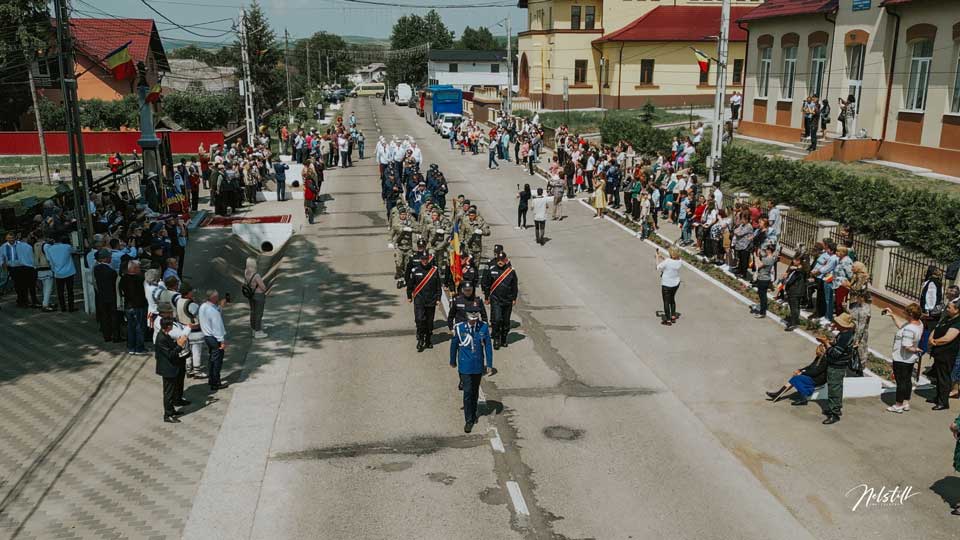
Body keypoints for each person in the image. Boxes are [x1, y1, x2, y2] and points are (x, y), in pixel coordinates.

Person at [449, 306, 494, 433]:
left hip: (478, 365)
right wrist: (452, 361)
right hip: (465, 366)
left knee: (474, 391)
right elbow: (454, 345)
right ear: (467, 316)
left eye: (475, 318)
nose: (473, 321)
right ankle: (468, 420)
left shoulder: (483, 327)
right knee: (468, 392)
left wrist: (489, 364)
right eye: (471, 318)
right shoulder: (459, 328)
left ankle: (473, 413)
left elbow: (488, 346)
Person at [884, 303, 924, 413]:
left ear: (910, 314)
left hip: (902, 359)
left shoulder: (910, 329)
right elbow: (902, 326)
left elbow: (907, 346)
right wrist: (892, 315)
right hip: (909, 359)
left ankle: (898, 404)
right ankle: (906, 402)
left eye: (906, 313)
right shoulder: (918, 324)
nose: (904, 315)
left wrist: (916, 349)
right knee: (907, 380)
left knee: (901, 382)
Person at [822, 312, 856, 425]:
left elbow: (835, 353)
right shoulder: (845, 333)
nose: (835, 324)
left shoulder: (845, 337)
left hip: (837, 366)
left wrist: (826, 344)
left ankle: (834, 414)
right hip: (839, 365)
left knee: (834, 389)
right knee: (837, 387)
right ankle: (836, 408)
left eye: (837, 323)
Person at [156, 317, 189, 423]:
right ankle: (168, 415)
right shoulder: (161, 338)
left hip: (172, 367)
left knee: (173, 390)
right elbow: (170, 354)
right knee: (168, 393)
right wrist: (179, 345)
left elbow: (172, 346)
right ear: (168, 326)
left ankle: (172, 410)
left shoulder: (166, 335)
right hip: (167, 369)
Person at [483, 252, 518, 350]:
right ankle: (496, 339)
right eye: (499, 260)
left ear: (505, 260)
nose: (500, 262)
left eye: (502, 260)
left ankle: (504, 338)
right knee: (497, 319)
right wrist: (487, 297)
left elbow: (514, 286)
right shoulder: (492, 270)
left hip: (507, 300)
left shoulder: (510, 271)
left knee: (506, 322)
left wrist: (514, 298)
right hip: (496, 299)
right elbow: (487, 284)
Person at [407, 250, 441, 352]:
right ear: (420, 259)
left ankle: (428, 340)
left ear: (429, 259)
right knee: (420, 320)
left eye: (426, 259)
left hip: (431, 300)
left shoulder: (434, 271)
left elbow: (438, 286)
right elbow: (410, 285)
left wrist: (438, 298)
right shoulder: (415, 270)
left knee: (429, 322)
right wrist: (409, 296)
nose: (425, 261)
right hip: (419, 300)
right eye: (423, 259)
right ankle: (421, 339)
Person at [929, 300, 960, 411]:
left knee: (944, 378)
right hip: (939, 352)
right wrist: (931, 338)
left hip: (947, 354)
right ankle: (938, 397)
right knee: (938, 376)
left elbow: (948, 338)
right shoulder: (947, 318)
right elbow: (936, 328)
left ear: (957, 310)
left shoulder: (957, 322)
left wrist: (935, 341)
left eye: (949, 308)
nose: (947, 309)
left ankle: (943, 402)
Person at [199, 289, 229, 391]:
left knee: (212, 359)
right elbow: (218, 327)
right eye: (217, 297)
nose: (218, 298)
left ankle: (211, 379)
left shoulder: (203, 307)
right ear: (213, 298)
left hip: (207, 336)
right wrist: (222, 341)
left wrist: (220, 307)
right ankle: (216, 382)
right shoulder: (213, 312)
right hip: (214, 338)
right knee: (217, 361)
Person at [1, 232, 38, 308]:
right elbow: (1, 257)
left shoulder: (23, 245)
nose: (11, 240)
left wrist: (32, 265)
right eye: (9, 238)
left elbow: (29, 254)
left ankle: (24, 301)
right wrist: (2, 264)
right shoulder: (3, 247)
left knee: (23, 285)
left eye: (12, 238)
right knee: (18, 286)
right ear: (6, 239)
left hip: (23, 267)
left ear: (15, 238)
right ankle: (21, 300)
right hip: (12, 268)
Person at [119, 260, 148, 355]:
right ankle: (139, 347)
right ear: (134, 269)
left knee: (130, 327)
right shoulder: (139, 279)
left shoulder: (123, 279)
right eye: (139, 268)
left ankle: (131, 346)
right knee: (139, 327)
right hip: (138, 306)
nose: (140, 269)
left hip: (128, 306)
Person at [93, 249, 121, 342]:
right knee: (114, 317)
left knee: (104, 317)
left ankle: (107, 336)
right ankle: (116, 336)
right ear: (105, 259)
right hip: (111, 296)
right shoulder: (111, 272)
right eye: (109, 257)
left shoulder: (96, 269)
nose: (111, 259)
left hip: (101, 296)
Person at [43, 236, 77, 312]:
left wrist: (54, 270)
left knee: (60, 291)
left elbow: (50, 261)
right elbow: (75, 250)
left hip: (58, 272)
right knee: (70, 291)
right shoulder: (67, 246)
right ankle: (71, 307)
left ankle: (63, 307)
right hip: (69, 271)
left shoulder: (50, 249)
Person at [656, 247, 683, 326]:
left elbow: (657, 267)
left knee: (666, 302)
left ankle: (668, 320)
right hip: (676, 283)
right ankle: (673, 316)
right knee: (672, 299)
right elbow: (670, 263)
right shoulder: (680, 261)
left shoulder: (667, 261)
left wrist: (657, 258)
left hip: (667, 284)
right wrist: (662, 257)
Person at [391, 207, 417, 288]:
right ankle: (400, 279)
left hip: (409, 247)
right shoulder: (396, 223)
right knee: (399, 264)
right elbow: (393, 231)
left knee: (407, 265)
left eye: (404, 214)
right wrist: (391, 242)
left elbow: (419, 228)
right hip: (400, 247)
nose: (403, 216)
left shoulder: (410, 222)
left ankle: (406, 279)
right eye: (401, 214)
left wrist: (411, 229)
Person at [244, 257, 268, 339]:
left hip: (251, 295)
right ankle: (258, 332)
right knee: (259, 314)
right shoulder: (256, 275)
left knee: (253, 312)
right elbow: (263, 287)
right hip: (259, 295)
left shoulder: (246, 273)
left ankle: (253, 329)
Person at [753, 245, 777, 319]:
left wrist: (756, 257)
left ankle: (762, 312)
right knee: (763, 295)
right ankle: (763, 308)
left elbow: (758, 266)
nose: (765, 250)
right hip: (766, 279)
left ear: (769, 250)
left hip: (763, 279)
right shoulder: (772, 258)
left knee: (762, 296)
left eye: (767, 249)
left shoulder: (767, 259)